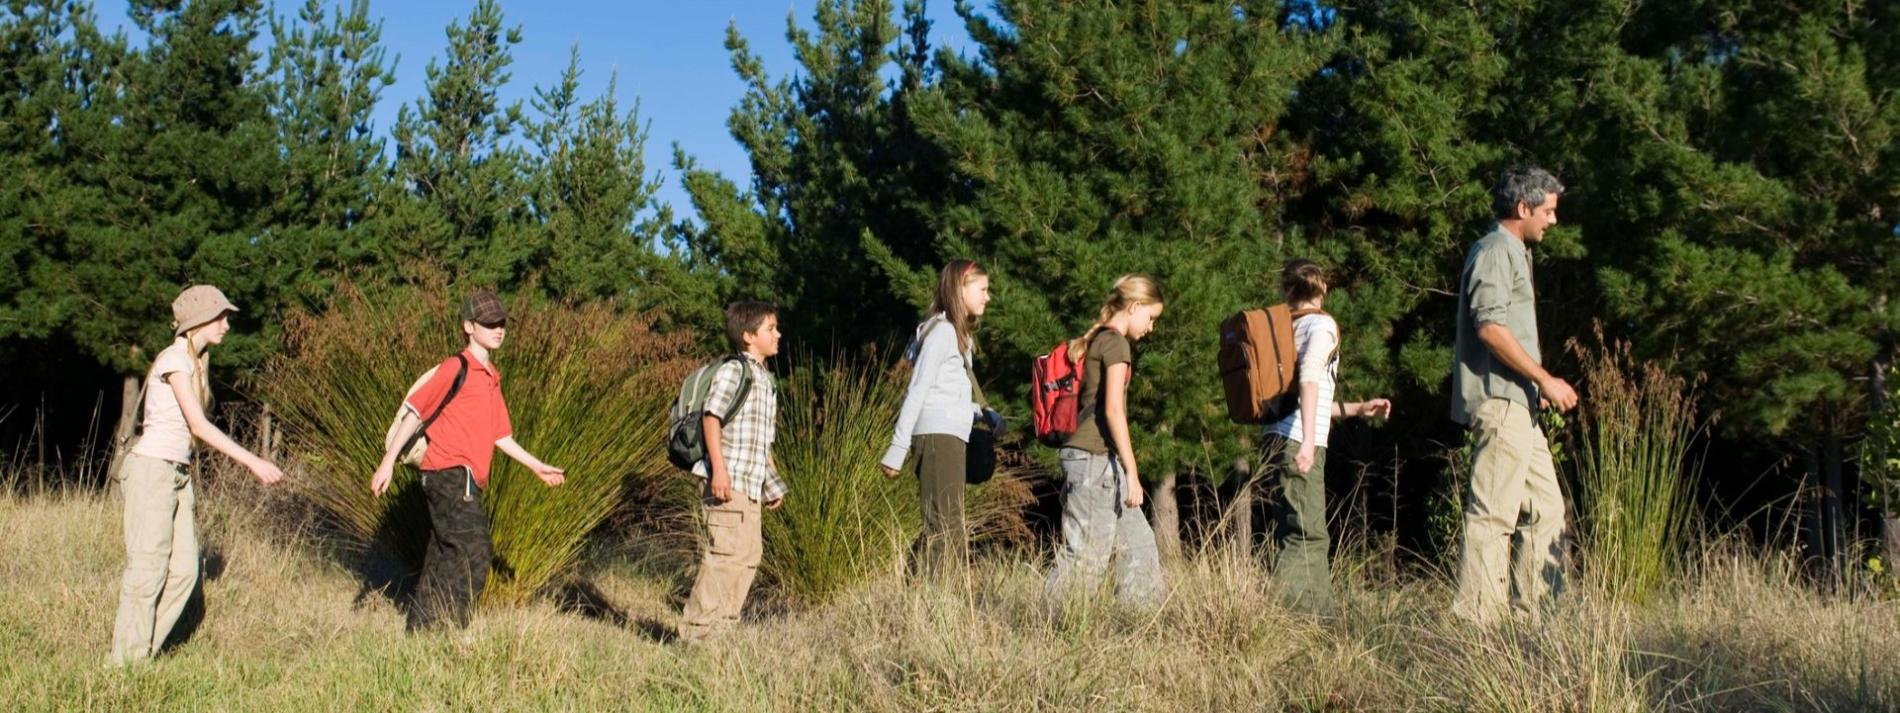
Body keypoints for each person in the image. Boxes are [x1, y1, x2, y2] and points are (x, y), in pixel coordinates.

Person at [110, 285, 286, 665]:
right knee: (147, 572)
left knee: (186, 573)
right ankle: (123, 667)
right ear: (199, 320)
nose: (226, 324)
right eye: (220, 316)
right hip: (152, 471)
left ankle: (138, 657)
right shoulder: (175, 358)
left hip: (177, 473)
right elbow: (199, 426)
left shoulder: (197, 362)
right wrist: (253, 461)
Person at [370, 290, 567, 631]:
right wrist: (387, 462)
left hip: (466, 480)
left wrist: (537, 466)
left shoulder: (491, 377)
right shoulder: (456, 366)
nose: (498, 329)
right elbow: (415, 413)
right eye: (490, 323)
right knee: (473, 550)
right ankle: (451, 631)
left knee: (444, 554)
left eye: (502, 323)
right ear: (468, 327)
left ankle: (421, 635)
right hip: (448, 473)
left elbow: (499, 435)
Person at [1449, 165, 1581, 625]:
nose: (1553, 220)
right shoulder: (1494, 251)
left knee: (1547, 509)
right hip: (1501, 403)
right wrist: (1543, 379)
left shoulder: (1514, 253)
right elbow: (1489, 327)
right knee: (1493, 516)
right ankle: (1475, 628)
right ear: (1522, 208)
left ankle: (1536, 621)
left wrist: (1533, 387)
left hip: (1520, 405)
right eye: (1547, 211)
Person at [1261, 260, 1392, 615]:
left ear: (1286, 290)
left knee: (1293, 530)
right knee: (1308, 534)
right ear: (1322, 291)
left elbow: (1308, 398)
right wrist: (1306, 443)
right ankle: (1293, 615)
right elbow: (1307, 378)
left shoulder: (1285, 329)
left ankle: (1318, 615)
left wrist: (1357, 408)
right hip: (1299, 442)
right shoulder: (1322, 325)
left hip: (1275, 439)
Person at [1044, 274, 1168, 608]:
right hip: (1092, 460)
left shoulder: (1098, 338)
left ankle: (1137, 623)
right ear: (1135, 306)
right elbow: (1114, 410)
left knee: (1139, 544)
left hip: (1097, 459)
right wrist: (1133, 471)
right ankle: (1045, 624)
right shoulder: (1115, 343)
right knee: (1086, 555)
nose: (1151, 327)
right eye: (1151, 318)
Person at [880, 259, 1000, 574]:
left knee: (947, 523)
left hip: (949, 434)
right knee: (945, 526)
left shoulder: (957, 336)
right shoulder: (943, 332)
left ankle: (934, 596)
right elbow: (918, 389)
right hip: (937, 437)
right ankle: (937, 604)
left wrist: (982, 412)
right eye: (983, 289)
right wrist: (897, 448)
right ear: (960, 288)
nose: (987, 297)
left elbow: (944, 392)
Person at [679, 301, 787, 641]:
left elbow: (761, 442)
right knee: (723, 557)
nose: (778, 334)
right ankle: (695, 634)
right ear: (748, 336)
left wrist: (773, 485)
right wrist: (719, 472)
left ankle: (722, 631)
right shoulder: (733, 372)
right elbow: (712, 418)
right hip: (729, 482)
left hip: (750, 486)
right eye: (770, 329)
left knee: (747, 557)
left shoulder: (764, 379)